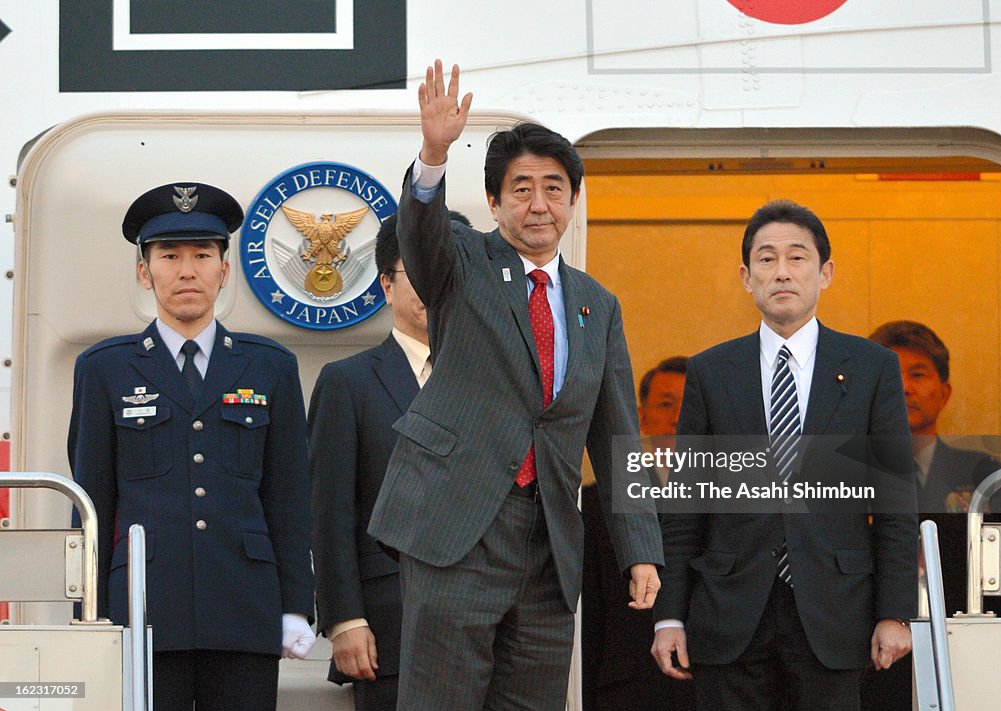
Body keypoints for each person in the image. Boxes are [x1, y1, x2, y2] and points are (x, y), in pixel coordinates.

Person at [366, 59, 664, 711]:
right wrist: (433, 156)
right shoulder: (463, 262)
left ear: (573, 201)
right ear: (495, 202)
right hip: (457, 531)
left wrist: (641, 548)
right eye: (521, 188)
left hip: (548, 544)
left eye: (554, 188)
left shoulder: (597, 304)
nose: (539, 203)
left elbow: (618, 438)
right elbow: (420, 231)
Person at [651, 199, 918, 711]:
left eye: (798, 258)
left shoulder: (871, 367)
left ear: (826, 273)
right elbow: (685, 507)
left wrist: (895, 611)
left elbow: (894, 504)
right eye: (767, 259)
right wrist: (670, 616)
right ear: (747, 277)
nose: (782, 272)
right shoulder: (711, 371)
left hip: (835, 610)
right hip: (729, 609)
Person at [68, 182, 316, 711]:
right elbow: (90, 503)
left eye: (203, 255)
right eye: (170, 256)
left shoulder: (270, 366)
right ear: (144, 271)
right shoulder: (105, 369)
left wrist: (297, 605)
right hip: (142, 610)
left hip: (246, 607)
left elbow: (290, 498)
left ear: (224, 270)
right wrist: (88, 612)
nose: (187, 271)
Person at [309, 211, 469, 711]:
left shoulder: (495, 382)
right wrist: (344, 620)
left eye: (444, 271)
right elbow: (329, 511)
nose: (429, 285)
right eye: (413, 271)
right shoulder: (348, 383)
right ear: (385, 284)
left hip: (487, 625)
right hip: (388, 624)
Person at [862, 320, 1001, 710]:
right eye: (891, 375)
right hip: (869, 660)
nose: (904, 387)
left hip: (971, 657)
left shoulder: (986, 475)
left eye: (918, 374)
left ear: (945, 391)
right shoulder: (842, 479)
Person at [582, 356, 696, 711]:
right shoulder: (599, 501)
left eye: (688, 406)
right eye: (665, 405)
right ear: (641, 415)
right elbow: (589, 615)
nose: (677, 417)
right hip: (628, 687)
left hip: (711, 684)